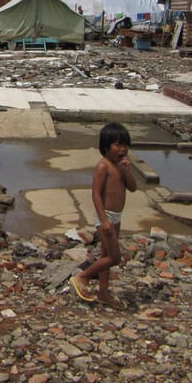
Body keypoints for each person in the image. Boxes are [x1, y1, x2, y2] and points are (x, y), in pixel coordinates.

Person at [69, 122, 137, 308]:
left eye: (125, 145)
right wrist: (104, 220)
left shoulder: (121, 166)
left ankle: (103, 292)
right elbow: (96, 194)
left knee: (105, 255)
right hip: (105, 215)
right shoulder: (103, 166)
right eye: (117, 145)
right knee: (115, 257)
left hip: (116, 216)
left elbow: (132, 187)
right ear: (106, 146)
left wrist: (127, 170)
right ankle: (82, 277)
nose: (122, 149)